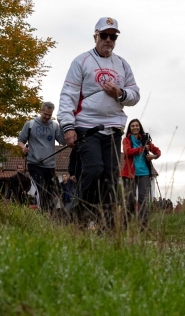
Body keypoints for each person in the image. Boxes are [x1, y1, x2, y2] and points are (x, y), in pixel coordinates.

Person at [58, 17, 140, 229]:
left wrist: (120, 93)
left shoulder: (122, 64)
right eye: (104, 35)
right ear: (95, 36)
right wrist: (68, 126)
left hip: (113, 128)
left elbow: (135, 94)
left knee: (110, 176)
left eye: (113, 37)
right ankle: (79, 213)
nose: (109, 40)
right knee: (94, 169)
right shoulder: (81, 61)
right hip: (87, 126)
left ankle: (107, 222)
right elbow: (68, 95)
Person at [18, 102, 65, 212]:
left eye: (49, 115)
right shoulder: (30, 124)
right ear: (41, 111)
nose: (47, 117)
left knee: (49, 191)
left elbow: (62, 142)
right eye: (45, 114)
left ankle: (48, 212)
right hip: (34, 163)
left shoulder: (54, 126)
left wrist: (63, 126)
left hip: (50, 165)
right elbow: (20, 140)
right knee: (41, 188)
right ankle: (43, 213)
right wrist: (23, 147)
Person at [121, 119, 161, 230]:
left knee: (143, 200)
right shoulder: (126, 140)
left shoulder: (145, 139)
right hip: (129, 174)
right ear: (130, 128)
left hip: (145, 173)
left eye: (137, 125)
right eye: (132, 126)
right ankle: (125, 224)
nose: (135, 127)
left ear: (140, 127)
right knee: (130, 200)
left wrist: (154, 156)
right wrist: (142, 149)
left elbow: (157, 151)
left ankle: (143, 226)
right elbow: (127, 152)